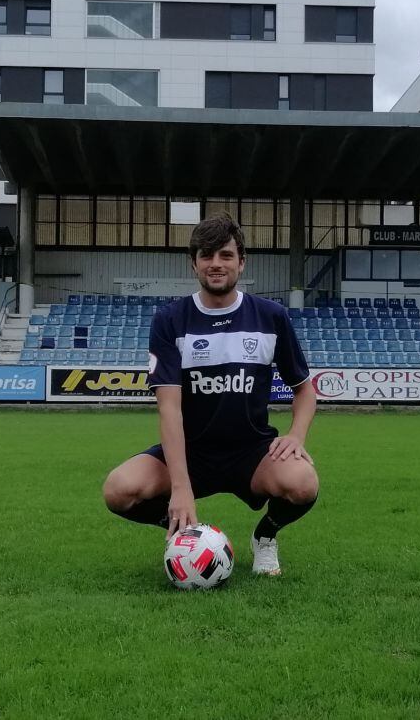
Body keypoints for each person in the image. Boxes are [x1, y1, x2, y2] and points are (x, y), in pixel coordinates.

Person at [102, 214, 319, 576]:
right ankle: (188, 535)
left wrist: (296, 436)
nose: (216, 264)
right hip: (191, 453)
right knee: (119, 489)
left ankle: (265, 536)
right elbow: (169, 410)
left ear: (241, 262)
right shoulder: (170, 319)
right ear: (194, 263)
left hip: (251, 452)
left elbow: (304, 390)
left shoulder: (271, 316)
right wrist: (181, 489)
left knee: (303, 483)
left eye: (225, 255)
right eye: (206, 255)